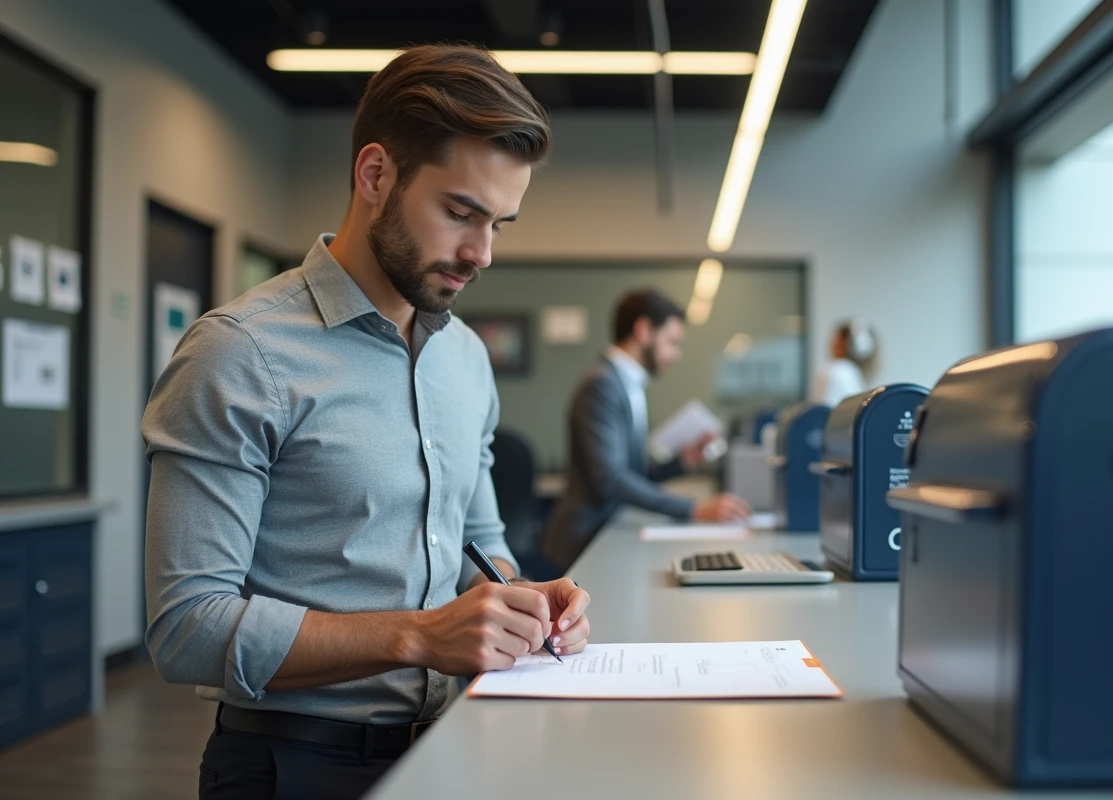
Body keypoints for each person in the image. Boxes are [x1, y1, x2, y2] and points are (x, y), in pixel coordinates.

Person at [141, 45, 591, 800]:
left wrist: (522, 601)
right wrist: (417, 634)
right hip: (291, 766)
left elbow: (481, 546)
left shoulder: (467, 360)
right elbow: (187, 626)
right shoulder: (240, 352)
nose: (481, 253)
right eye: (460, 213)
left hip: (451, 751)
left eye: (500, 225)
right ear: (376, 174)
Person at [541, 289, 752, 572]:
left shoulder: (627, 384)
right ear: (643, 330)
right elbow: (610, 479)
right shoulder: (602, 384)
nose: (675, 355)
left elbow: (632, 474)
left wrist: (682, 461)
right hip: (585, 542)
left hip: (608, 535)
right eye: (672, 342)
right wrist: (693, 508)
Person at [813, 319, 878, 407]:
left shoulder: (836, 370)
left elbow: (822, 411)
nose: (831, 343)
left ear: (845, 344)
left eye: (836, 339)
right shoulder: (853, 373)